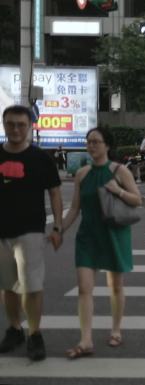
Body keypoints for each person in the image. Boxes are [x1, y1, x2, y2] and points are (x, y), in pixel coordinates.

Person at [61, 127, 142, 359]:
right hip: (88, 236)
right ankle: (85, 340)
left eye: (96, 141)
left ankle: (116, 330)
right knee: (84, 288)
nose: (92, 145)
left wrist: (118, 190)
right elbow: (75, 208)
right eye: (89, 142)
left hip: (114, 233)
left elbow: (136, 200)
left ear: (107, 145)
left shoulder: (119, 171)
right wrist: (60, 229)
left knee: (115, 285)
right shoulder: (82, 174)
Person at [0, 105, 63, 361]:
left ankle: (35, 334)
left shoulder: (41, 158)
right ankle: (15, 329)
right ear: (4, 125)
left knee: (32, 286)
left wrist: (58, 226)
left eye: (21, 124)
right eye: (11, 124)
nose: (16, 129)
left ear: (29, 126)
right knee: (8, 286)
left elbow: (55, 192)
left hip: (31, 231)